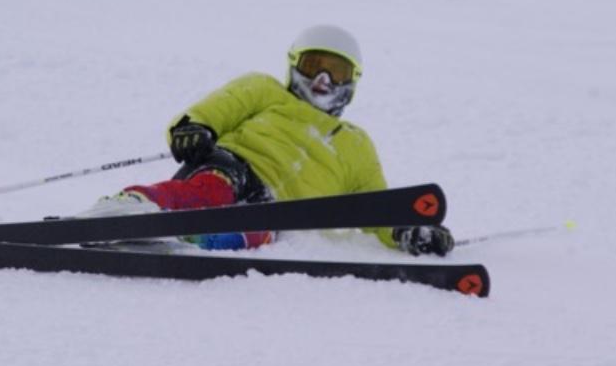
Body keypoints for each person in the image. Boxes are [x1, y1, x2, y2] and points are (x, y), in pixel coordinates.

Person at [81, 24, 455, 257]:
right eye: (313, 65)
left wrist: (406, 230)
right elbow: (215, 110)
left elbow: (374, 209)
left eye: (336, 71)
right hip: (234, 168)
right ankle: (131, 209)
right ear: (294, 65)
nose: (323, 79)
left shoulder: (356, 145)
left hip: (278, 213)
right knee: (212, 191)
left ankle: (182, 241)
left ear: (352, 81)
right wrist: (192, 129)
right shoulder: (265, 89)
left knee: (254, 233)